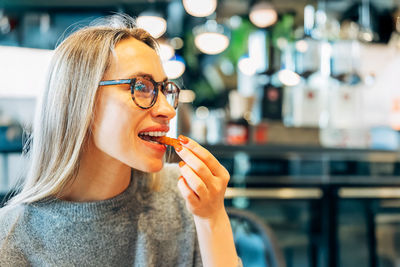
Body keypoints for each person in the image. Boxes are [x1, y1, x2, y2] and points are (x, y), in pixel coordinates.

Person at [0, 15, 241, 267]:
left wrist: (212, 218)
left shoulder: (185, 196)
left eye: (164, 89)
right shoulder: (10, 240)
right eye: (141, 87)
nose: (168, 111)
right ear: (80, 101)